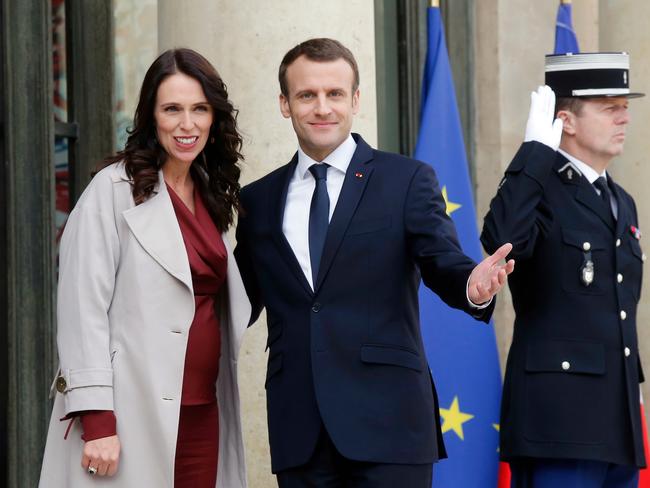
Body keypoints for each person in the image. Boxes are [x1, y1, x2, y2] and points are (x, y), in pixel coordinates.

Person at [234, 37, 514, 487]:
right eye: (307, 95)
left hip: (390, 425)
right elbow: (237, 300)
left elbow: (442, 261)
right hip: (299, 430)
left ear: (356, 99)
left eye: (335, 94)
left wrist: (471, 286)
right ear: (285, 104)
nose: (322, 107)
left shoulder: (405, 180)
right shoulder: (258, 200)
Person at [38, 48, 250, 488]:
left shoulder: (211, 192)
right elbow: (82, 308)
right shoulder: (112, 189)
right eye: (172, 109)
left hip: (202, 409)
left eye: (199, 109)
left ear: (215, 118)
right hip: (129, 412)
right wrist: (97, 420)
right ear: (152, 116)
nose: (187, 124)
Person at [481, 52, 646, 488]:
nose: (624, 118)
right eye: (610, 108)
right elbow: (500, 237)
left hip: (618, 422)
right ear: (566, 120)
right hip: (558, 424)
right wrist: (534, 153)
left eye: (625, 107)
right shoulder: (539, 188)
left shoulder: (620, 200)